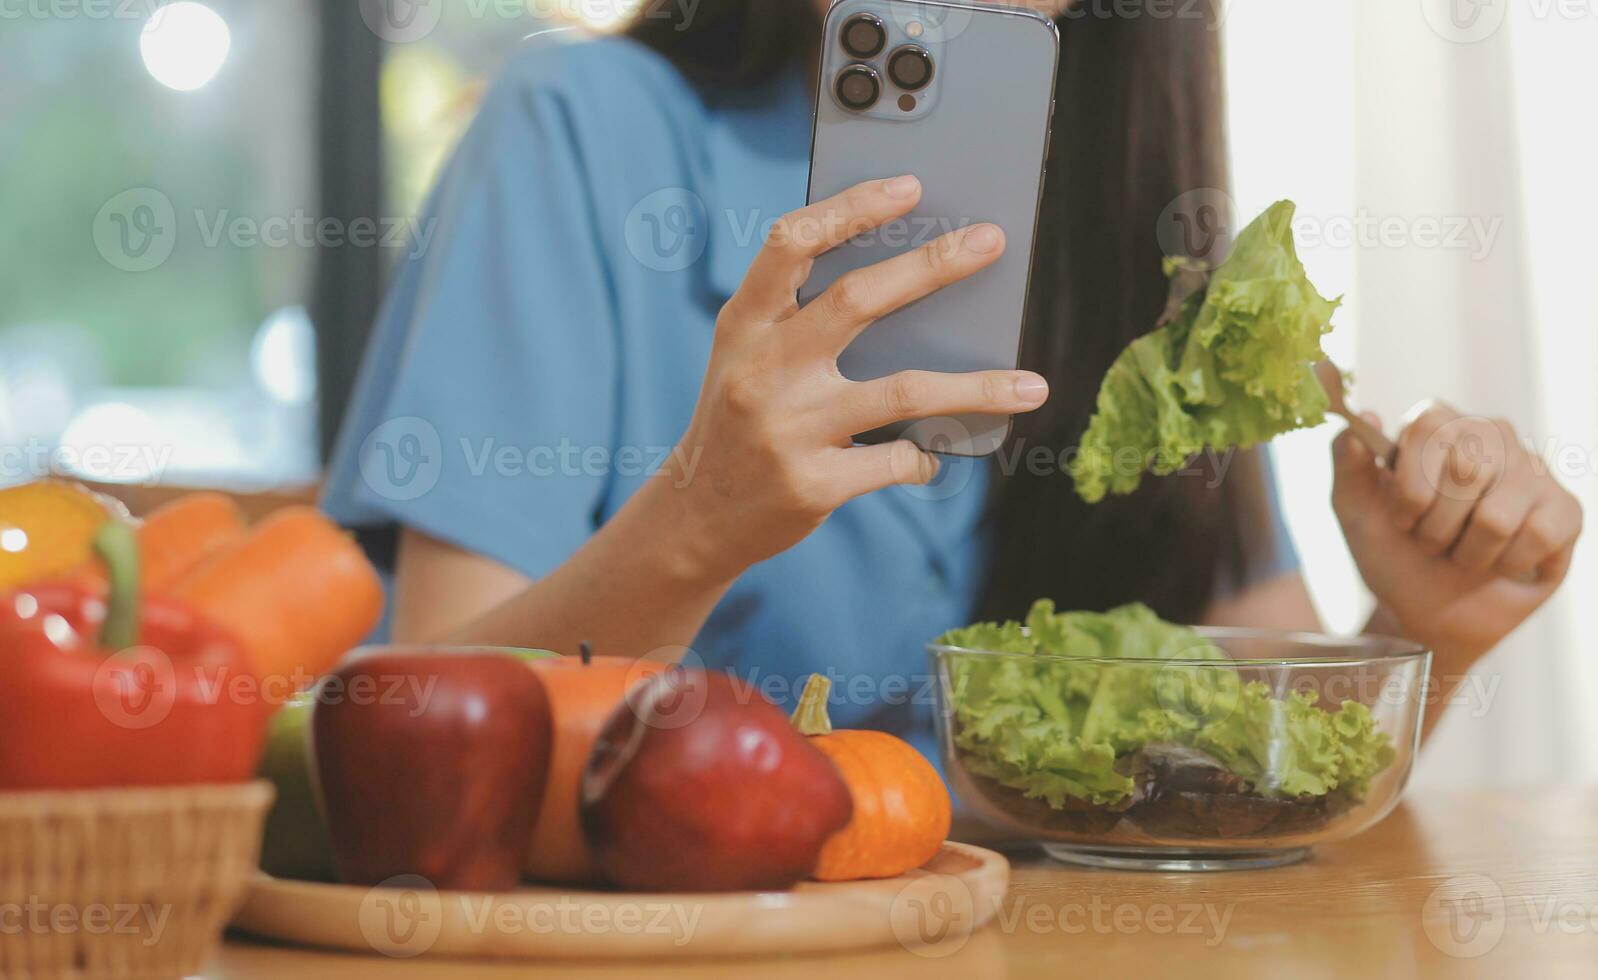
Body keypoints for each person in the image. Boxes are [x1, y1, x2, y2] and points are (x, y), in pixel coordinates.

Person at [322, 0, 1581, 758]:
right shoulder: (577, 124)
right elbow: (424, 726)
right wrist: (694, 527)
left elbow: (1243, 758)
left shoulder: (1143, 232)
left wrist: (1417, 633)